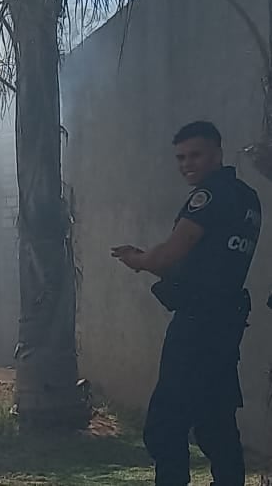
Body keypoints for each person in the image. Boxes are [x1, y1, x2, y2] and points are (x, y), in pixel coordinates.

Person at [112, 121, 260, 486]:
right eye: (180, 157)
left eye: (195, 155)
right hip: (226, 324)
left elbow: (169, 257)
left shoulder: (208, 197)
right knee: (216, 420)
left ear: (217, 153)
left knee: (166, 425)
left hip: (197, 324)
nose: (186, 164)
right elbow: (212, 261)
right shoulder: (247, 197)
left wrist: (139, 259)